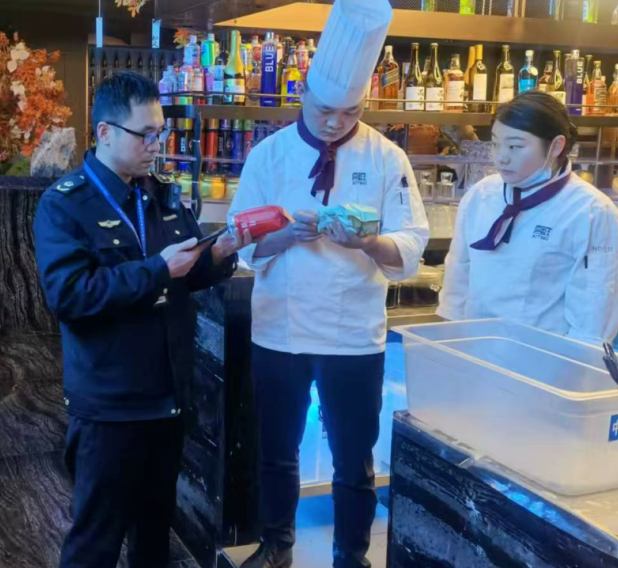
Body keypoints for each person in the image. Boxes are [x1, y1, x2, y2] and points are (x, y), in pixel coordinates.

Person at [229, 1, 429, 566]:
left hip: (353, 335)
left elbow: (411, 243)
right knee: (277, 451)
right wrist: (286, 236)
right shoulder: (268, 156)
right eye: (324, 110)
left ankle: (351, 555)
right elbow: (242, 243)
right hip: (280, 329)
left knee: (354, 459)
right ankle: (276, 545)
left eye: (349, 111)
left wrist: (366, 243)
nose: (335, 122)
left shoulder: (387, 158)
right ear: (303, 95)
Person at [33, 71, 241, 568]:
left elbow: (185, 275)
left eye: (160, 133)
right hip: (109, 405)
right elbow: (70, 295)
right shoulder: (65, 205)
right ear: (105, 133)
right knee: (95, 540)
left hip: (166, 397)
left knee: (153, 536)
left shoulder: (161, 195)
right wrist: (156, 270)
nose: (156, 146)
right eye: (145, 135)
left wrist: (221, 253)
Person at [438, 91, 618, 344]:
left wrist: (573, 364)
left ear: (556, 146)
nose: (501, 156)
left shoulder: (591, 212)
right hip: (476, 350)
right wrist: (449, 345)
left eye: (515, 146)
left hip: (544, 359)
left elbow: (593, 318)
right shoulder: (481, 195)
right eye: (495, 143)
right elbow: (458, 277)